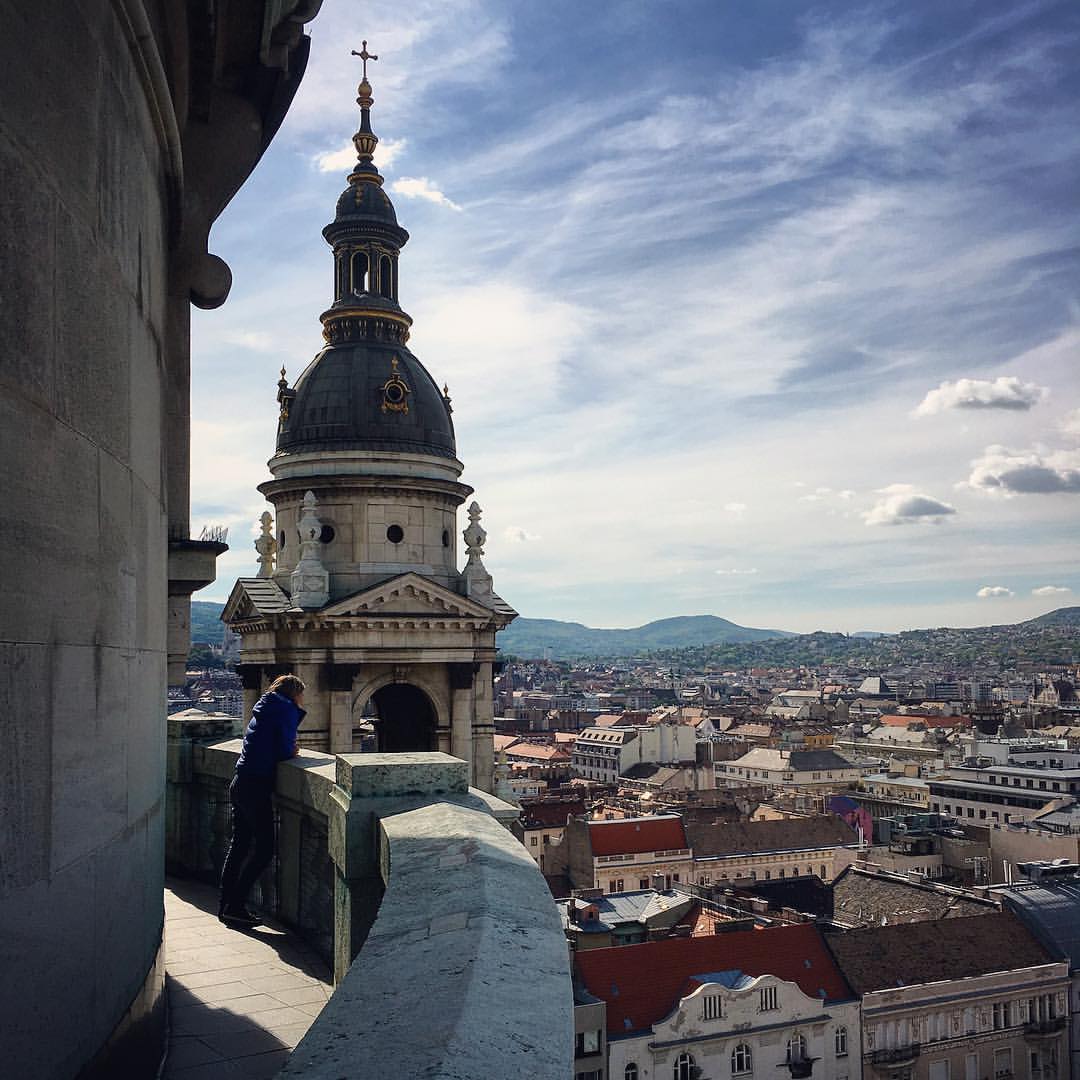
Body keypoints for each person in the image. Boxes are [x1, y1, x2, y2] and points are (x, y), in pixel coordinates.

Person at [218, 674, 305, 927]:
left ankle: (226, 905)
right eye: (301, 695)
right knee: (264, 849)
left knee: (239, 847)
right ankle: (236, 904)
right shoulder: (285, 710)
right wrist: (293, 750)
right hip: (257, 785)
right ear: (295, 694)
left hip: (241, 781)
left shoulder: (264, 707)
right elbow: (285, 749)